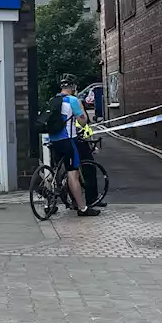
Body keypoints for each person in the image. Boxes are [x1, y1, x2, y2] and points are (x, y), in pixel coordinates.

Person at [47, 74, 99, 217]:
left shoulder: (53, 100)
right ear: (73, 87)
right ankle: (82, 208)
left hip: (54, 140)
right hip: (68, 140)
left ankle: (48, 201)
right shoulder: (73, 100)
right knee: (73, 173)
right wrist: (81, 117)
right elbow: (83, 121)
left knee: (55, 170)